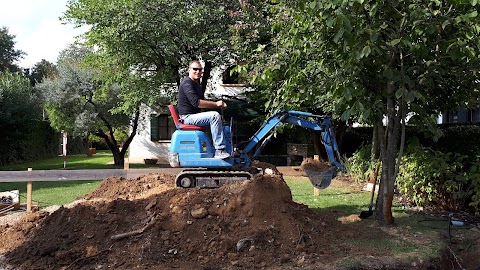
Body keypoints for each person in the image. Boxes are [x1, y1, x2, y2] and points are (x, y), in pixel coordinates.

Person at [177, 60, 230, 159]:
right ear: (189, 70)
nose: (198, 71)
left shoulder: (195, 84)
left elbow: (202, 102)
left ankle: (225, 149)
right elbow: (196, 103)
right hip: (187, 117)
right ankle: (220, 150)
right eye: (195, 69)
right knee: (214, 116)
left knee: (217, 119)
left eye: (200, 69)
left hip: (192, 116)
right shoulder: (187, 83)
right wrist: (216, 104)